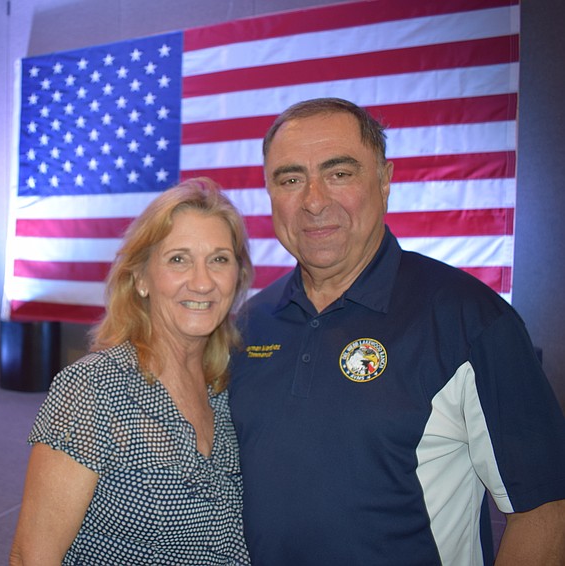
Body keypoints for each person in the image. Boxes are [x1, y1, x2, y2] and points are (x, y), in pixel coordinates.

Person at [228, 97, 565, 565]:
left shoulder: (470, 319)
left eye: (339, 173)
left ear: (385, 180)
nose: (314, 201)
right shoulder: (248, 322)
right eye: (290, 179)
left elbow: (545, 510)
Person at [10, 178, 253, 565]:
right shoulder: (93, 388)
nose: (203, 281)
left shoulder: (230, 390)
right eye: (178, 259)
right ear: (140, 278)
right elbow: (32, 555)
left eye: (219, 259)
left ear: (237, 277)